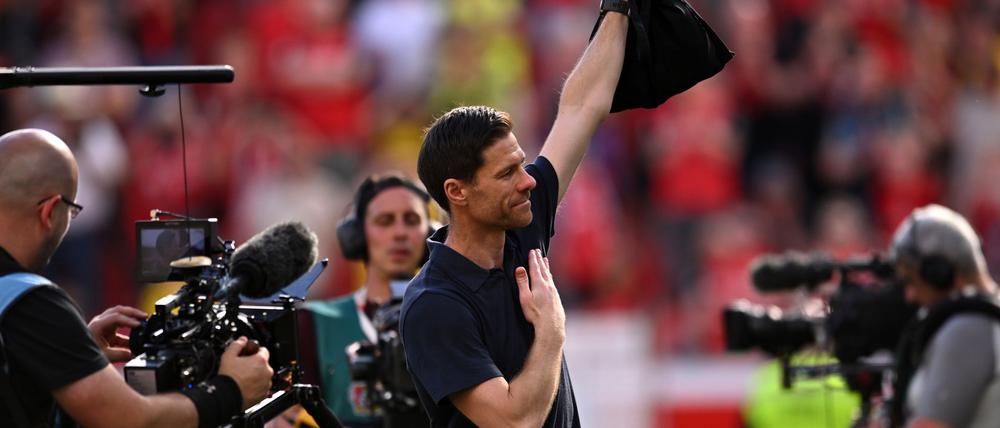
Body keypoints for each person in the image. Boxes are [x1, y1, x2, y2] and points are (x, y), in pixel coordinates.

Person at [398, 1, 630, 426]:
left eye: (522, 164)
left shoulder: (520, 226)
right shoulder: (434, 304)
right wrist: (552, 331)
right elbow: (513, 422)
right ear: (457, 192)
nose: (527, 181)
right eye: (507, 173)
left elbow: (582, 106)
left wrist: (619, 9)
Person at [0, 128, 273, 427]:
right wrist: (230, 390)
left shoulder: (26, 311)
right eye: (72, 211)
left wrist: (71, 353)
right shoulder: (33, 303)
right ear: (50, 212)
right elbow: (131, 419)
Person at [294, 173, 433, 427]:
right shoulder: (312, 323)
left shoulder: (450, 317)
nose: (400, 232)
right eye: (385, 221)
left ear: (430, 234)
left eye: (412, 220)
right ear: (356, 235)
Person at [889, 204, 1000, 428]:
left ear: (940, 274)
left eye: (911, 281)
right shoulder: (983, 317)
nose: (909, 296)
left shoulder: (968, 328)